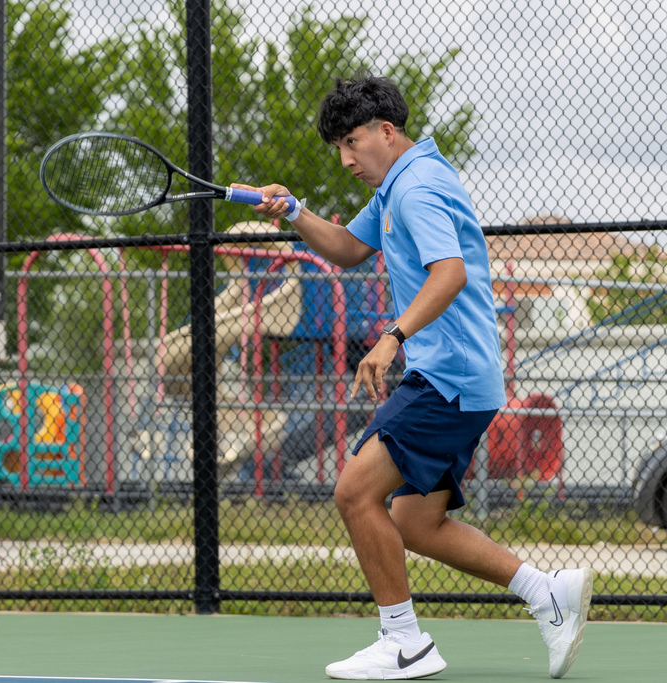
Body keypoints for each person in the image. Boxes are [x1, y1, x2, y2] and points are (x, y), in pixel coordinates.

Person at [234, 71, 593, 680]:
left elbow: (448, 273)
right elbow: (349, 249)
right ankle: (546, 593)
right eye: (339, 148)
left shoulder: (417, 188)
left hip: (447, 377)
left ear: (386, 130)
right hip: (459, 377)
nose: (347, 158)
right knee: (412, 520)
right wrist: (294, 210)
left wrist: (391, 337)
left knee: (354, 492)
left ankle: (404, 642)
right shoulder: (401, 183)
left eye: (353, 142)